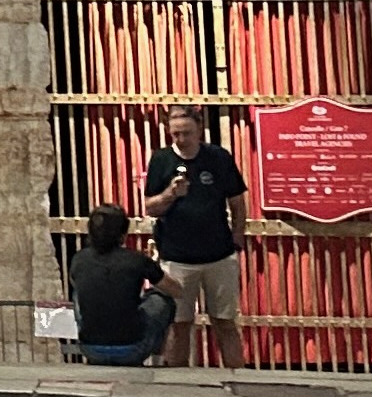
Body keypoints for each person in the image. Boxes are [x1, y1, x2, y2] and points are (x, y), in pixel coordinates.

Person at [142, 104, 248, 368]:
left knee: (224, 321)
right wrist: (170, 194)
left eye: (186, 133)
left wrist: (238, 236)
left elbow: (236, 201)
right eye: (175, 134)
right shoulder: (161, 160)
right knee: (179, 324)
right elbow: (150, 206)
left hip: (219, 255)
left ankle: (240, 378)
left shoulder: (218, 157)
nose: (181, 139)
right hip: (177, 258)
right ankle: (178, 385)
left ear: (199, 130)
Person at [67, 206, 180, 367]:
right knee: (162, 299)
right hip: (132, 349)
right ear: (123, 235)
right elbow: (175, 290)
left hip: (90, 348)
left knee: (79, 294)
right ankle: (159, 356)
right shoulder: (136, 260)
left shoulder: (79, 259)